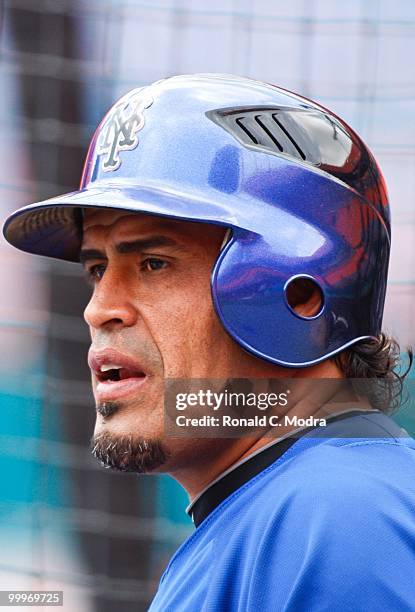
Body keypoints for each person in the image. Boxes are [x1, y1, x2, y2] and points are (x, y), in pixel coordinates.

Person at [3, 74, 415, 611]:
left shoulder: (340, 519)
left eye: (153, 264)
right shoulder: (279, 513)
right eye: (97, 269)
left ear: (296, 292)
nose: (99, 308)